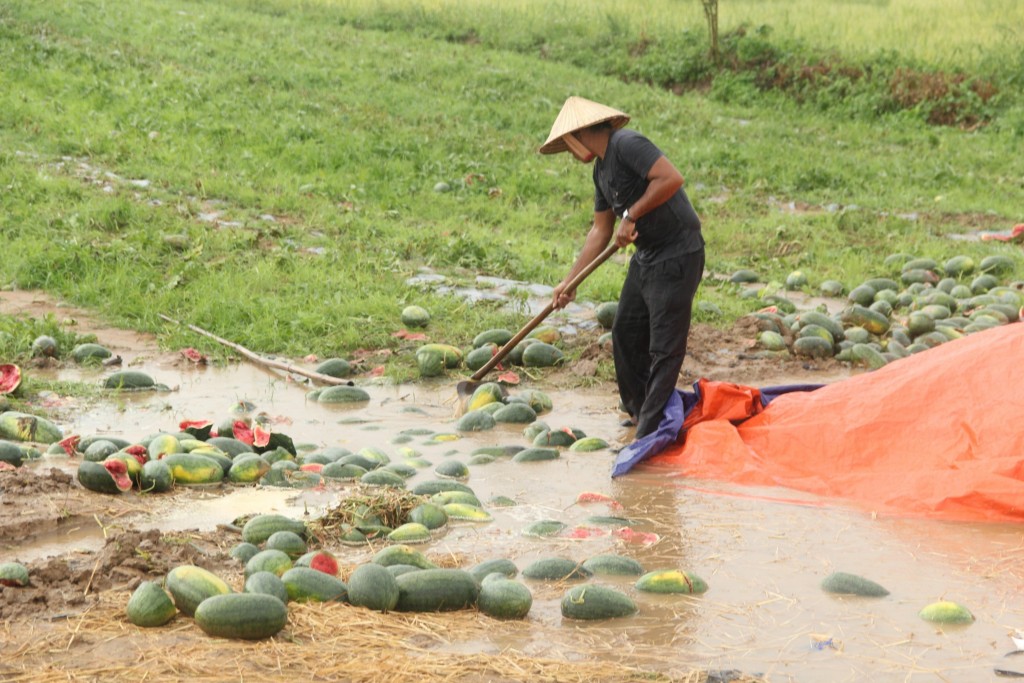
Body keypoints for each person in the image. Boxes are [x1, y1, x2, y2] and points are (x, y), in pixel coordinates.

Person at [540, 96, 705, 440]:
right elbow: (600, 230)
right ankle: (640, 411)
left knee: (664, 346)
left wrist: (631, 215)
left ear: (578, 135)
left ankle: (653, 425)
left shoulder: (627, 144)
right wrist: (569, 282)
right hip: (646, 256)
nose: (570, 154)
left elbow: (671, 178)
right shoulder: (601, 171)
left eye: (567, 146)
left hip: (677, 253)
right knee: (625, 333)